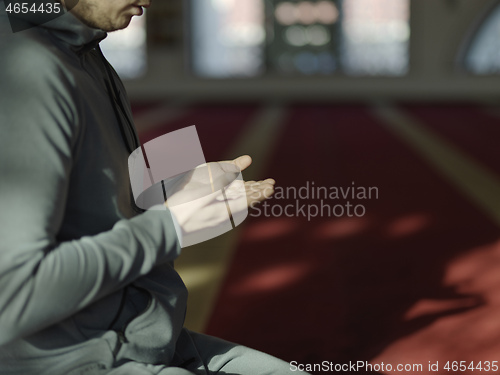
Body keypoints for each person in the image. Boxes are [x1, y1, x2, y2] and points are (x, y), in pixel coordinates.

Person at [0, 1, 309, 374]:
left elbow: (88, 216)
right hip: (82, 358)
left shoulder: (86, 54)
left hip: (143, 335)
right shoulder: (31, 67)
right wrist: (169, 225)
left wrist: (165, 197)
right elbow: (13, 297)